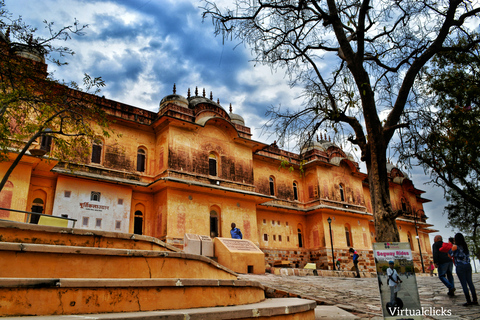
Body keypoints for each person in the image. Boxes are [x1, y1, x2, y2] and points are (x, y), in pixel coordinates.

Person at [449, 233, 478, 307]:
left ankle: (468, 301)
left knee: (464, 284)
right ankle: (475, 300)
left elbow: (450, 255)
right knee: (470, 283)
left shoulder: (455, 247)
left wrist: (452, 246)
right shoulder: (465, 246)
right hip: (468, 265)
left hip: (460, 266)